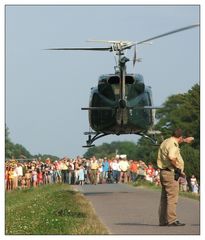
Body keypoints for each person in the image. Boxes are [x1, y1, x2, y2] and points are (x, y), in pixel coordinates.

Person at [157, 128, 194, 226]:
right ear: (180, 137)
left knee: (164, 198)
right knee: (172, 197)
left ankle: (163, 220)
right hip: (170, 173)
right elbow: (172, 157)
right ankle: (172, 220)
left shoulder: (167, 141)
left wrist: (185, 141)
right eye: (182, 138)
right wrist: (178, 168)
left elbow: (172, 146)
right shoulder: (173, 144)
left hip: (164, 172)